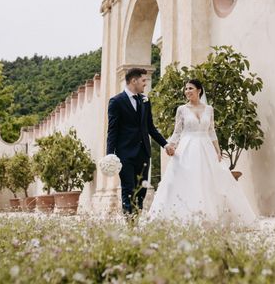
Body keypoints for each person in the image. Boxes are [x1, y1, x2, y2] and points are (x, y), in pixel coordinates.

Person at [147, 79, 257, 226]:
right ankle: (183, 217)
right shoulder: (182, 109)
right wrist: (170, 146)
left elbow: (211, 131)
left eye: (190, 88)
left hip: (206, 149)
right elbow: (177, 132)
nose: (187, 91)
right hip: (187, 149)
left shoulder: (209, 109)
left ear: (199, 90)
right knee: (187, 180)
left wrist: (218, 151)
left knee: (210, 179)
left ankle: (210, 217)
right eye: (185, 89)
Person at [106, 68, 175, 216]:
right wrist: (110, 155)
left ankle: (136, 220)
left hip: (143, 153)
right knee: (128, 188)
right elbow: (112, 131)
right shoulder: (116, 101)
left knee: (141, 191)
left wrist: (165, 144)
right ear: (133, 81)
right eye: (143, 81)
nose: (145, 84)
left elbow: (150, 127)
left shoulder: (145, 100)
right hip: (125, 154)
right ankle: (130, 224)